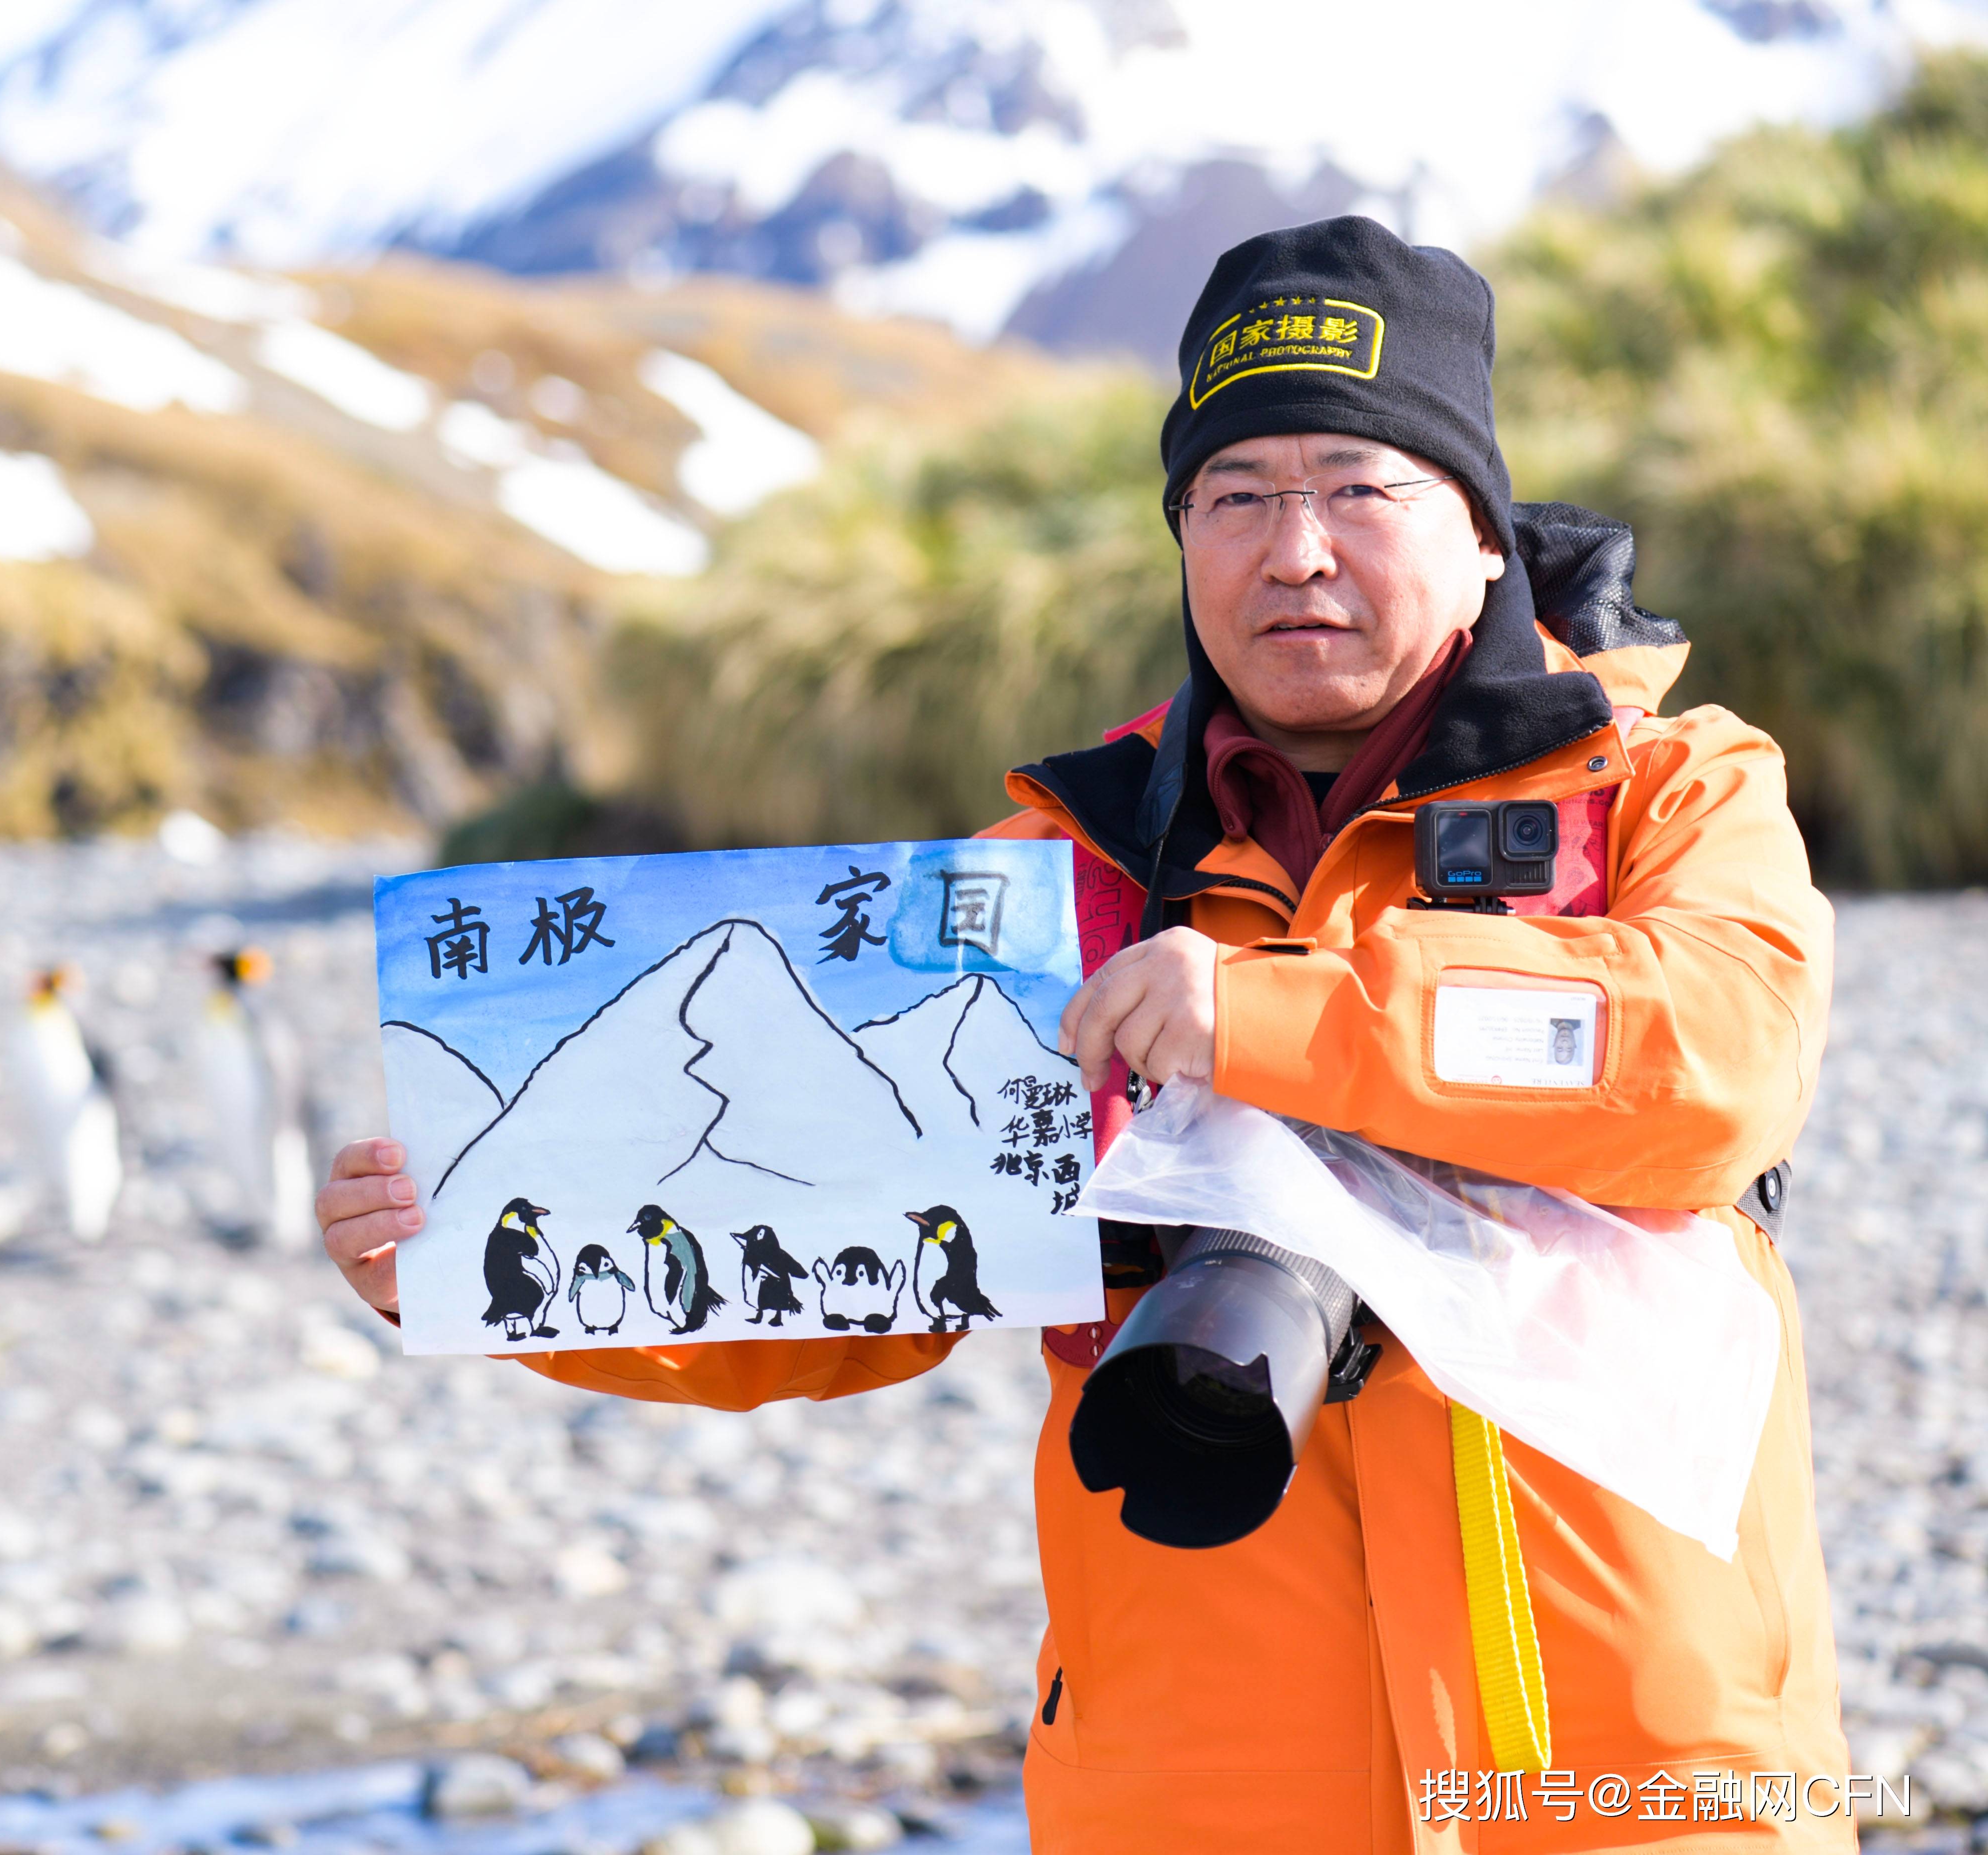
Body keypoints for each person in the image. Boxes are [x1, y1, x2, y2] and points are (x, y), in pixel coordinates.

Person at [317, 217, 1848, 1852]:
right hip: (1199, 1798)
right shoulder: (1062, 881)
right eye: (1237, 497)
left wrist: (1265, 1021)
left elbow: (1723, 1060)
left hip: (1632, 1784)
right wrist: (494, 1256)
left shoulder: (1672, 787)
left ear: (1483, 535)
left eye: (1359, 486)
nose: (1298, 549)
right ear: (1182, 538)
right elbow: (849, 1267)